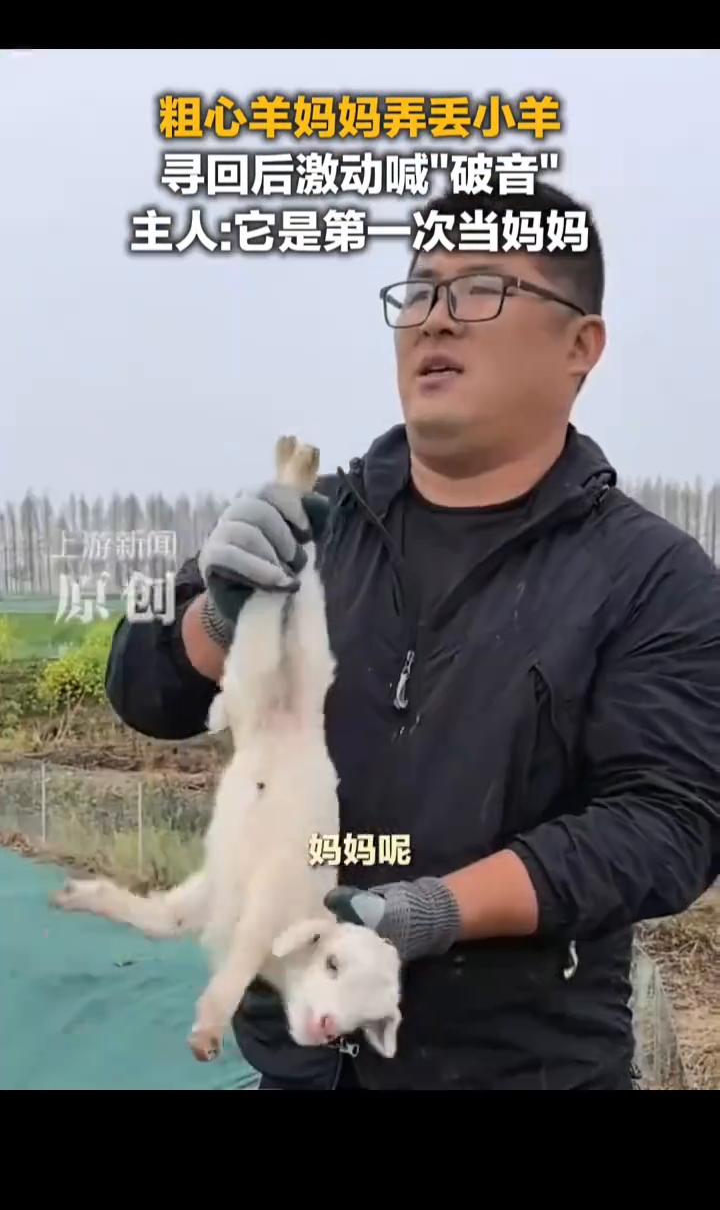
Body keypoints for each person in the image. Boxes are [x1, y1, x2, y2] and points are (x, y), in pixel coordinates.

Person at [106, 179, 720, 1091]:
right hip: (304, 1064)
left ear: (580, 346)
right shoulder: (313, 528)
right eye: (421, 291)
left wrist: (440, 910)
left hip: (520, 1071)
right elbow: (146, 692)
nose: (436, 318)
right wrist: (222, 618)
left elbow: (667, 823)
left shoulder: (652, 578)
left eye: (482, 290)